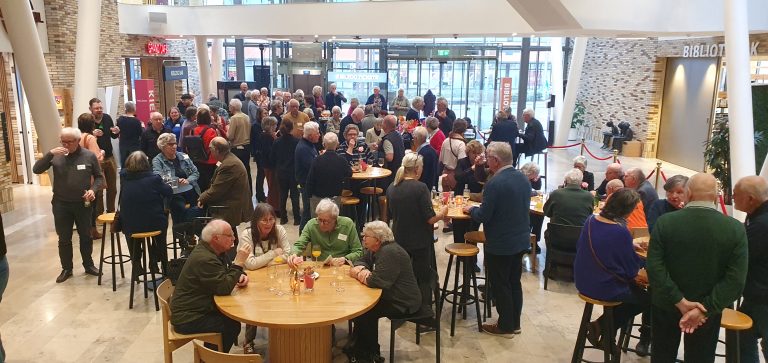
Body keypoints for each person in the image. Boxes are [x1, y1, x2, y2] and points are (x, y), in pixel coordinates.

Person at [646, 173, 748, 362]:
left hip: (666, 304)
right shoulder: (735, 229)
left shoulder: (666, 222)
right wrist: (705, 308)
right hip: (707, 309)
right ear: (717, 196)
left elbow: (654, 266)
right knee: (701, 357)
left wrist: (679, 300)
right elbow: (736, 279)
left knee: (662, 355)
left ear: (688, 193)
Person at [462, 142, 530, 336]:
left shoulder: (495, 183)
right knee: (513, 282)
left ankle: (505, 326)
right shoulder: (522, 178)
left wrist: (471, 209)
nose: (487, 161)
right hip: (520, 238)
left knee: (500, 284)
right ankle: (514, 322)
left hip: (501, 241)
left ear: (496, 161)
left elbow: (484, 215)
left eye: (489, 158)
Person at [574, 189, 649, 354]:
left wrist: (628, 246)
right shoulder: (621, 231)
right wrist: (643, 259)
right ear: (627, 210)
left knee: (631, 295)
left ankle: (606, 334)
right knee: (646, 299)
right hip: (604, 286)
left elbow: (601, 245)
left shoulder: (590, 221)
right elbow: (631, 271)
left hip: (583, 279)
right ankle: (601, 326)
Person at [33, 128, 103, 283]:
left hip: (83, 204)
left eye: (68, 142)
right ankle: (67, 268)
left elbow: (99, 178)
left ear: (77, 141)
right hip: (61, 204)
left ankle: (88, 264)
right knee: (64, 238)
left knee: (86, 235)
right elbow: (36, 169)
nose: (65, 144)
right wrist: (50, 154)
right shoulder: (56, 156)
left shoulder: (89, 156)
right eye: (62, 141)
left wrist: (93, 190)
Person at [347, 221, 422, 363]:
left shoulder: (390, 252)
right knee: (362, 308)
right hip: (391, 295)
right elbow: (361, 260)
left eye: (366, 236)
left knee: (366, 311)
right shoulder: (376, 249)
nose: (363, 238)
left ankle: (370, 354)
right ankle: (360, 347)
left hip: (403, 301)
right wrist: (362, 269)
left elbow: (376, 282)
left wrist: (357, 273)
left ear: (378, 239)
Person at [171, 219, 251, 353]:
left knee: (231, 319)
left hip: (196, 307)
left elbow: (222, 274)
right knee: (231, 325)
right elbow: (224, 288)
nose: (234, 238)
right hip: (187, 317)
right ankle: (210, 359)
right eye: (229, 235)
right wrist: (239, 263)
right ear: (216, 238)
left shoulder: (212, 250)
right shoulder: (205, 258)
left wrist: (238, 275)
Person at [387, 153, 448, 305]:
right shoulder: (420, 188)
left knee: (404, 274)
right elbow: (430, 219)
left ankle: (405, 303)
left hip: (399, 237)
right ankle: (423, 308)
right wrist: (443, 213)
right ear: (416, 169)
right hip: (419, 240)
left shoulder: (392, 187)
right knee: (422, 276)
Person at [237, 203, 290, 353]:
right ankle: (249, 340)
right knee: (253, 302)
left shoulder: (279, 230)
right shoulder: (247, 235)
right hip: (252, 279)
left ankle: (281, 336)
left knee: (284, 295)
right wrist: (274, 254)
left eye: (271, 219)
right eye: (264, 220)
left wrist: (266, 262)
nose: (268, 223)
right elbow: (251, 264)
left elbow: (287, 254)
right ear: (255, 221)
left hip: (275, 275)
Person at [120, 151, 173, 277]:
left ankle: (137, 264)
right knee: (159, 229)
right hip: (153, 223)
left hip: (130, 224)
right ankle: (159, 263)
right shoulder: (154, 179)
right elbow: (168, 192)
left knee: (133, 227)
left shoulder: (124, 177)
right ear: (146, 163)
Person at [733, 176, 768, 361]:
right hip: (756, 294)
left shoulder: (762, 224)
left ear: (751, 199)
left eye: (736, 195)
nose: (732, 198)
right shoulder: (757, 214)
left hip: (763, 297)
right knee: (743, 338)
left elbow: (743, 255)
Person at [198, 137, 253, 230]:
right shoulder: (229, 159)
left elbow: (216, 190)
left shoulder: (229, 165)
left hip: (231, 207)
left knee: (192, 215)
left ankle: (207, 240)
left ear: (216, 150)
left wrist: (201, 198)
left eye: (210, 149)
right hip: (233, 201)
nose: (209, 151)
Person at [288, 198, 363, 265]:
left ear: (335, 219)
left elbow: (358, 251)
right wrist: (294, 253)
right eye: (319, 220)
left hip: (342, 266)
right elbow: (299, 244)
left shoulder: (347, 224)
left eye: (326, 221)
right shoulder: (311, 224)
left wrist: (345, 259)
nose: (321, 224)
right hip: (320, 267)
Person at [152, 133, 201, 225]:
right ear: (162, 146)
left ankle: (191, 231)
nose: (174, 146)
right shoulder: (157, 160)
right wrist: (176, 181)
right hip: (173, 193)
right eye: (170, 144)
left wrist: (188, 180)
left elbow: (196, 172)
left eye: (175, 143)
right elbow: (158, 178)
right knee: (180, 209)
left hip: (190, 189)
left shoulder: (184, 156)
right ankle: (182, 232)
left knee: (197, 210)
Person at [76, 113, 105, 239]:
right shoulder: (90, 138)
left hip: (79, 175)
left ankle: (85, 230)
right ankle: (92, 231)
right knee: (92, 204)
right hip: (91, 176)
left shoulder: (77, 137)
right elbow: (96, 158)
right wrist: (102, 153)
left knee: (85, 205)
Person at [89, 98, 119, 218]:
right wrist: (92, 134)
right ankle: (99, 214)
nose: (99, 110)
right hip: (95, 159)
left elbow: (113, 135)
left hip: (110, 157)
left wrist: (116, 131)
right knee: (99, 189)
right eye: (96, 108)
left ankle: (111, 212)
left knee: (112, 187)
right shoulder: (87, 120)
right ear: (90, 109)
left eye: (100, 108)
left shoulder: (107, 118)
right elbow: (82, 136)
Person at [306, 132, 352, 208]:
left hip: (318, 197)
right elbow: (349, 173)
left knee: (318, 218)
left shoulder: (316, 160)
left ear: (324, 144)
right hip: (335, 196)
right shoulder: (342, 160)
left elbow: (310, 180)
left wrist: (309, 195)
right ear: (337, 144)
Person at [272, 120, 300, 225]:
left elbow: (272, 158)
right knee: (295, 195)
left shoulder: (276, 141)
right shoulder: (297, 141)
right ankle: (297, 218)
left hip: (280, 172)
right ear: (292, 128)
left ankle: (283, 218)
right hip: (293, 172)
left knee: (282, 195)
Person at [295, 121, 320, 232]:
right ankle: (302, 238)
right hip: (306, 185)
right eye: (317, 133)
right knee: (308, 212)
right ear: (310, 136)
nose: (319, 134)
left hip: (308, 184)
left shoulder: (309, 145)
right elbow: (312, 167)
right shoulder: (304, 148)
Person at [226, 98, 253, 191]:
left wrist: (225, 130)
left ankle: (240, 191)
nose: (229, 107)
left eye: (229, 106)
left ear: (233, 107)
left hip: (237, 147)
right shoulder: (246, 117)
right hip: (247, 146)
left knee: (237, 171)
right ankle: (249, 190)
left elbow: (230, 136)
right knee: (246, 169)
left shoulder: (234, 118)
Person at [191, 108, 219, 192]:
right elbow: (215, 146)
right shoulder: (211, 131)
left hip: (197, 160)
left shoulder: (193, 130)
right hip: (210, 161)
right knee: (210, 183)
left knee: (201, 182)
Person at [258, 116, 281, 216]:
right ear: (270, 126)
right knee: (273, 186)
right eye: (275, 125)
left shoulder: (268, 135)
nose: (276, 126)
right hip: (270, 165)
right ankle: (274, 208)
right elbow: (269, 152)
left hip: (268, 164)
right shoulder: (266, 136)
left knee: (274, 186)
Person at [375, 115, 405, 190]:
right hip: (399, 171)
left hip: (390, 174)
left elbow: (389, 158)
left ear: (384, 125)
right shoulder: (398, 135)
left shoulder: (387, 140)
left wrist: (379, 154)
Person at [439, 119, 468, 196]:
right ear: (464, 130)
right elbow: (462, 163)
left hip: (444, 174)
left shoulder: (445, 141)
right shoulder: (461, 144)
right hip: (455, 177)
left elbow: (440, 160)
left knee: (444, 199)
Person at [522, 162, 544, 252]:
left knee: (539, 215)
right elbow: (525, 192)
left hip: (528, 204)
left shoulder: (530, 178)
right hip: (520, 207)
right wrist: (536, 192)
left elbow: (537, 188)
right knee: (534, 215)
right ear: (530, 172)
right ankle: (528, 240)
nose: (537, 176)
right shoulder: (521, 177)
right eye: (536, 174)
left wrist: (537, 180)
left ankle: (534, 241)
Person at [411, 126, 438, 191]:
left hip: (424, 189)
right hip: (432, 186)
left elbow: (422, 175)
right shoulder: (432, 150)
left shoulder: (422, 154)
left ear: (415, 138)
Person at [116, 101, 144, 166]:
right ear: (134, 108)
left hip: (123, 145)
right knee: (134, 164)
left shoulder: (120, 119)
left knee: (124, 164)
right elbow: (140, 133)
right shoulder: (136, 121)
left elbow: (118, 132)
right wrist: (142, 127)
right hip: (134, 146)